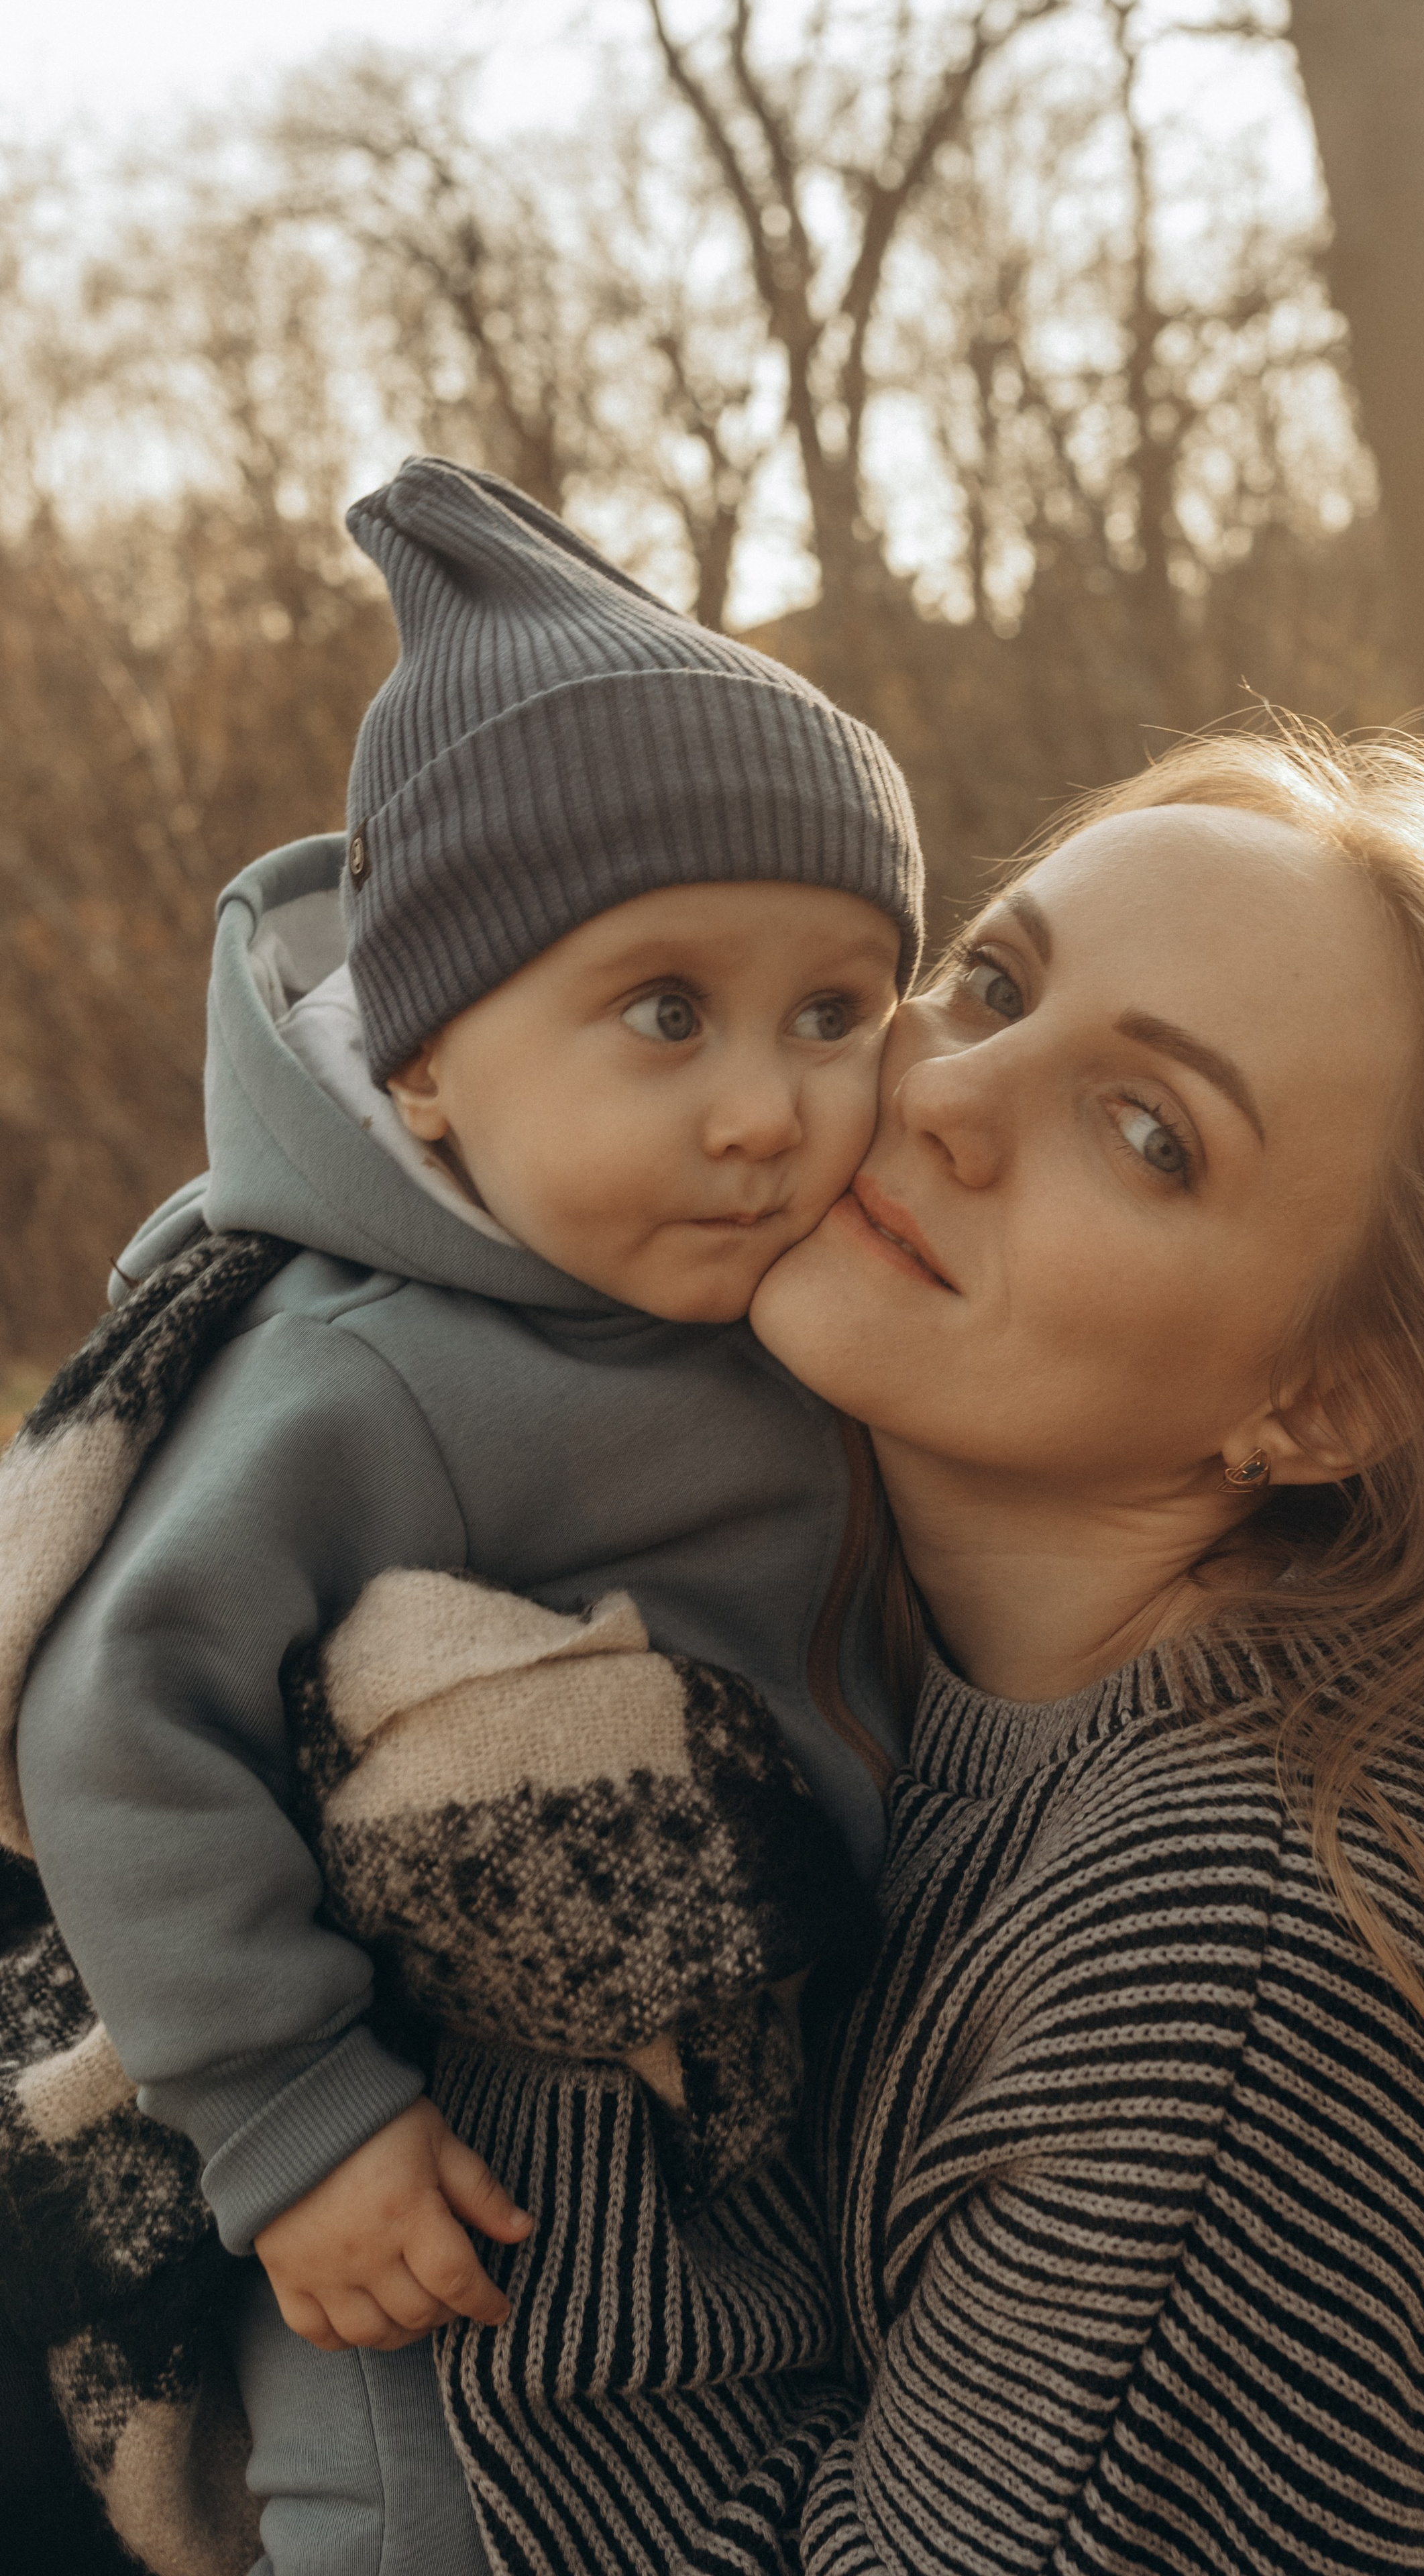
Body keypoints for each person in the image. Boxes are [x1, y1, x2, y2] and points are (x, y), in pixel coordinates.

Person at [448, 724, 1424, 2569]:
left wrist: (539, 1983)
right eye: (992, 980)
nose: (950, 1094)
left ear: (1328, 1398)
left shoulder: (1235, 1968)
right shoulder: (901, 1688)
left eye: (1149, 1135)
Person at [13, 453, 922, 2576]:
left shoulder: (791, 1308)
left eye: (834, 1013)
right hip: (443, 2292)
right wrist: (290, 2115)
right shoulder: (374, 1370)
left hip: (741, 2210)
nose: (762, 1106)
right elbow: (116, 1720)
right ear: (424, 1061)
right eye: (663, 1012)